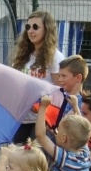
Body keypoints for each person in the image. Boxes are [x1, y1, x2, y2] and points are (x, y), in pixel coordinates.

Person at [10, 10, 66, 144]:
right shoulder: (22, 56)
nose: (30, 31)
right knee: (17, 158)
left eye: (35, 27)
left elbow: (61, 90)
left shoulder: (55, 58)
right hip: (21, 117)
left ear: (47, 29)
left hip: (42, 121)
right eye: (28, 27)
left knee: (35, 162)